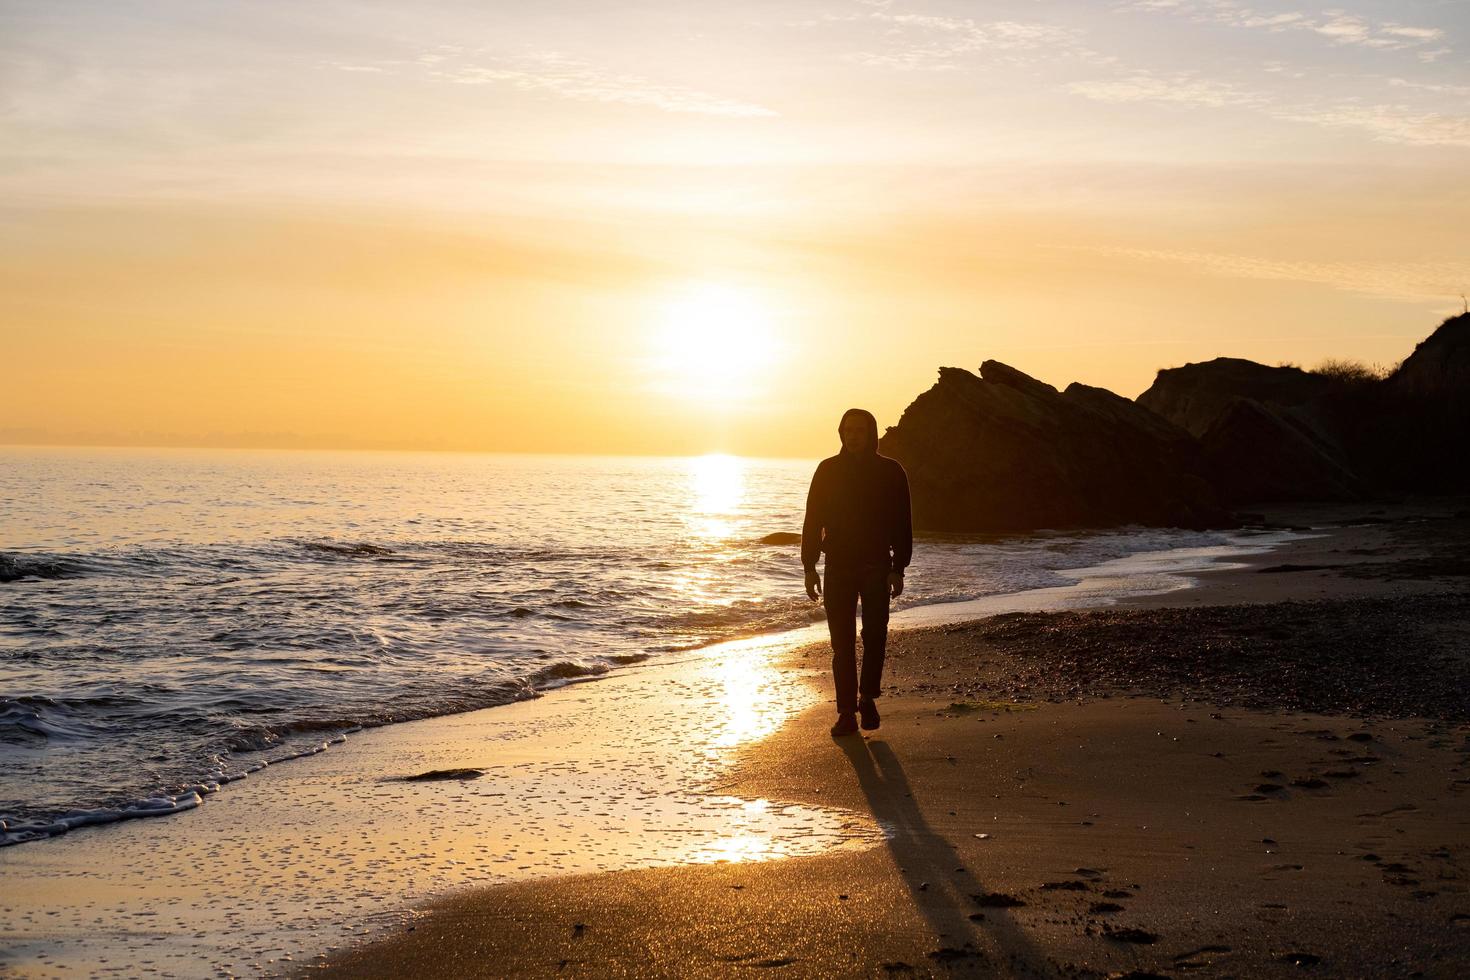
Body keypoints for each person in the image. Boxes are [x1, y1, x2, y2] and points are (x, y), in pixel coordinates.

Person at [801, 408, 913, 737]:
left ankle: (868, 698)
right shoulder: (827, 470)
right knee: (842, 645)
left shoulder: (891, 472)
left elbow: (902, 524)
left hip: (877, 566)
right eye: (847, 430)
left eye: (859, 431)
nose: (852, 436)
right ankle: (846, 712)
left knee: (875, 636)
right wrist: (809, 566)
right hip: (838, 567)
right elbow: (812, 521)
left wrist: (898, 568)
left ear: (870, 434)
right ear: (841, 433)